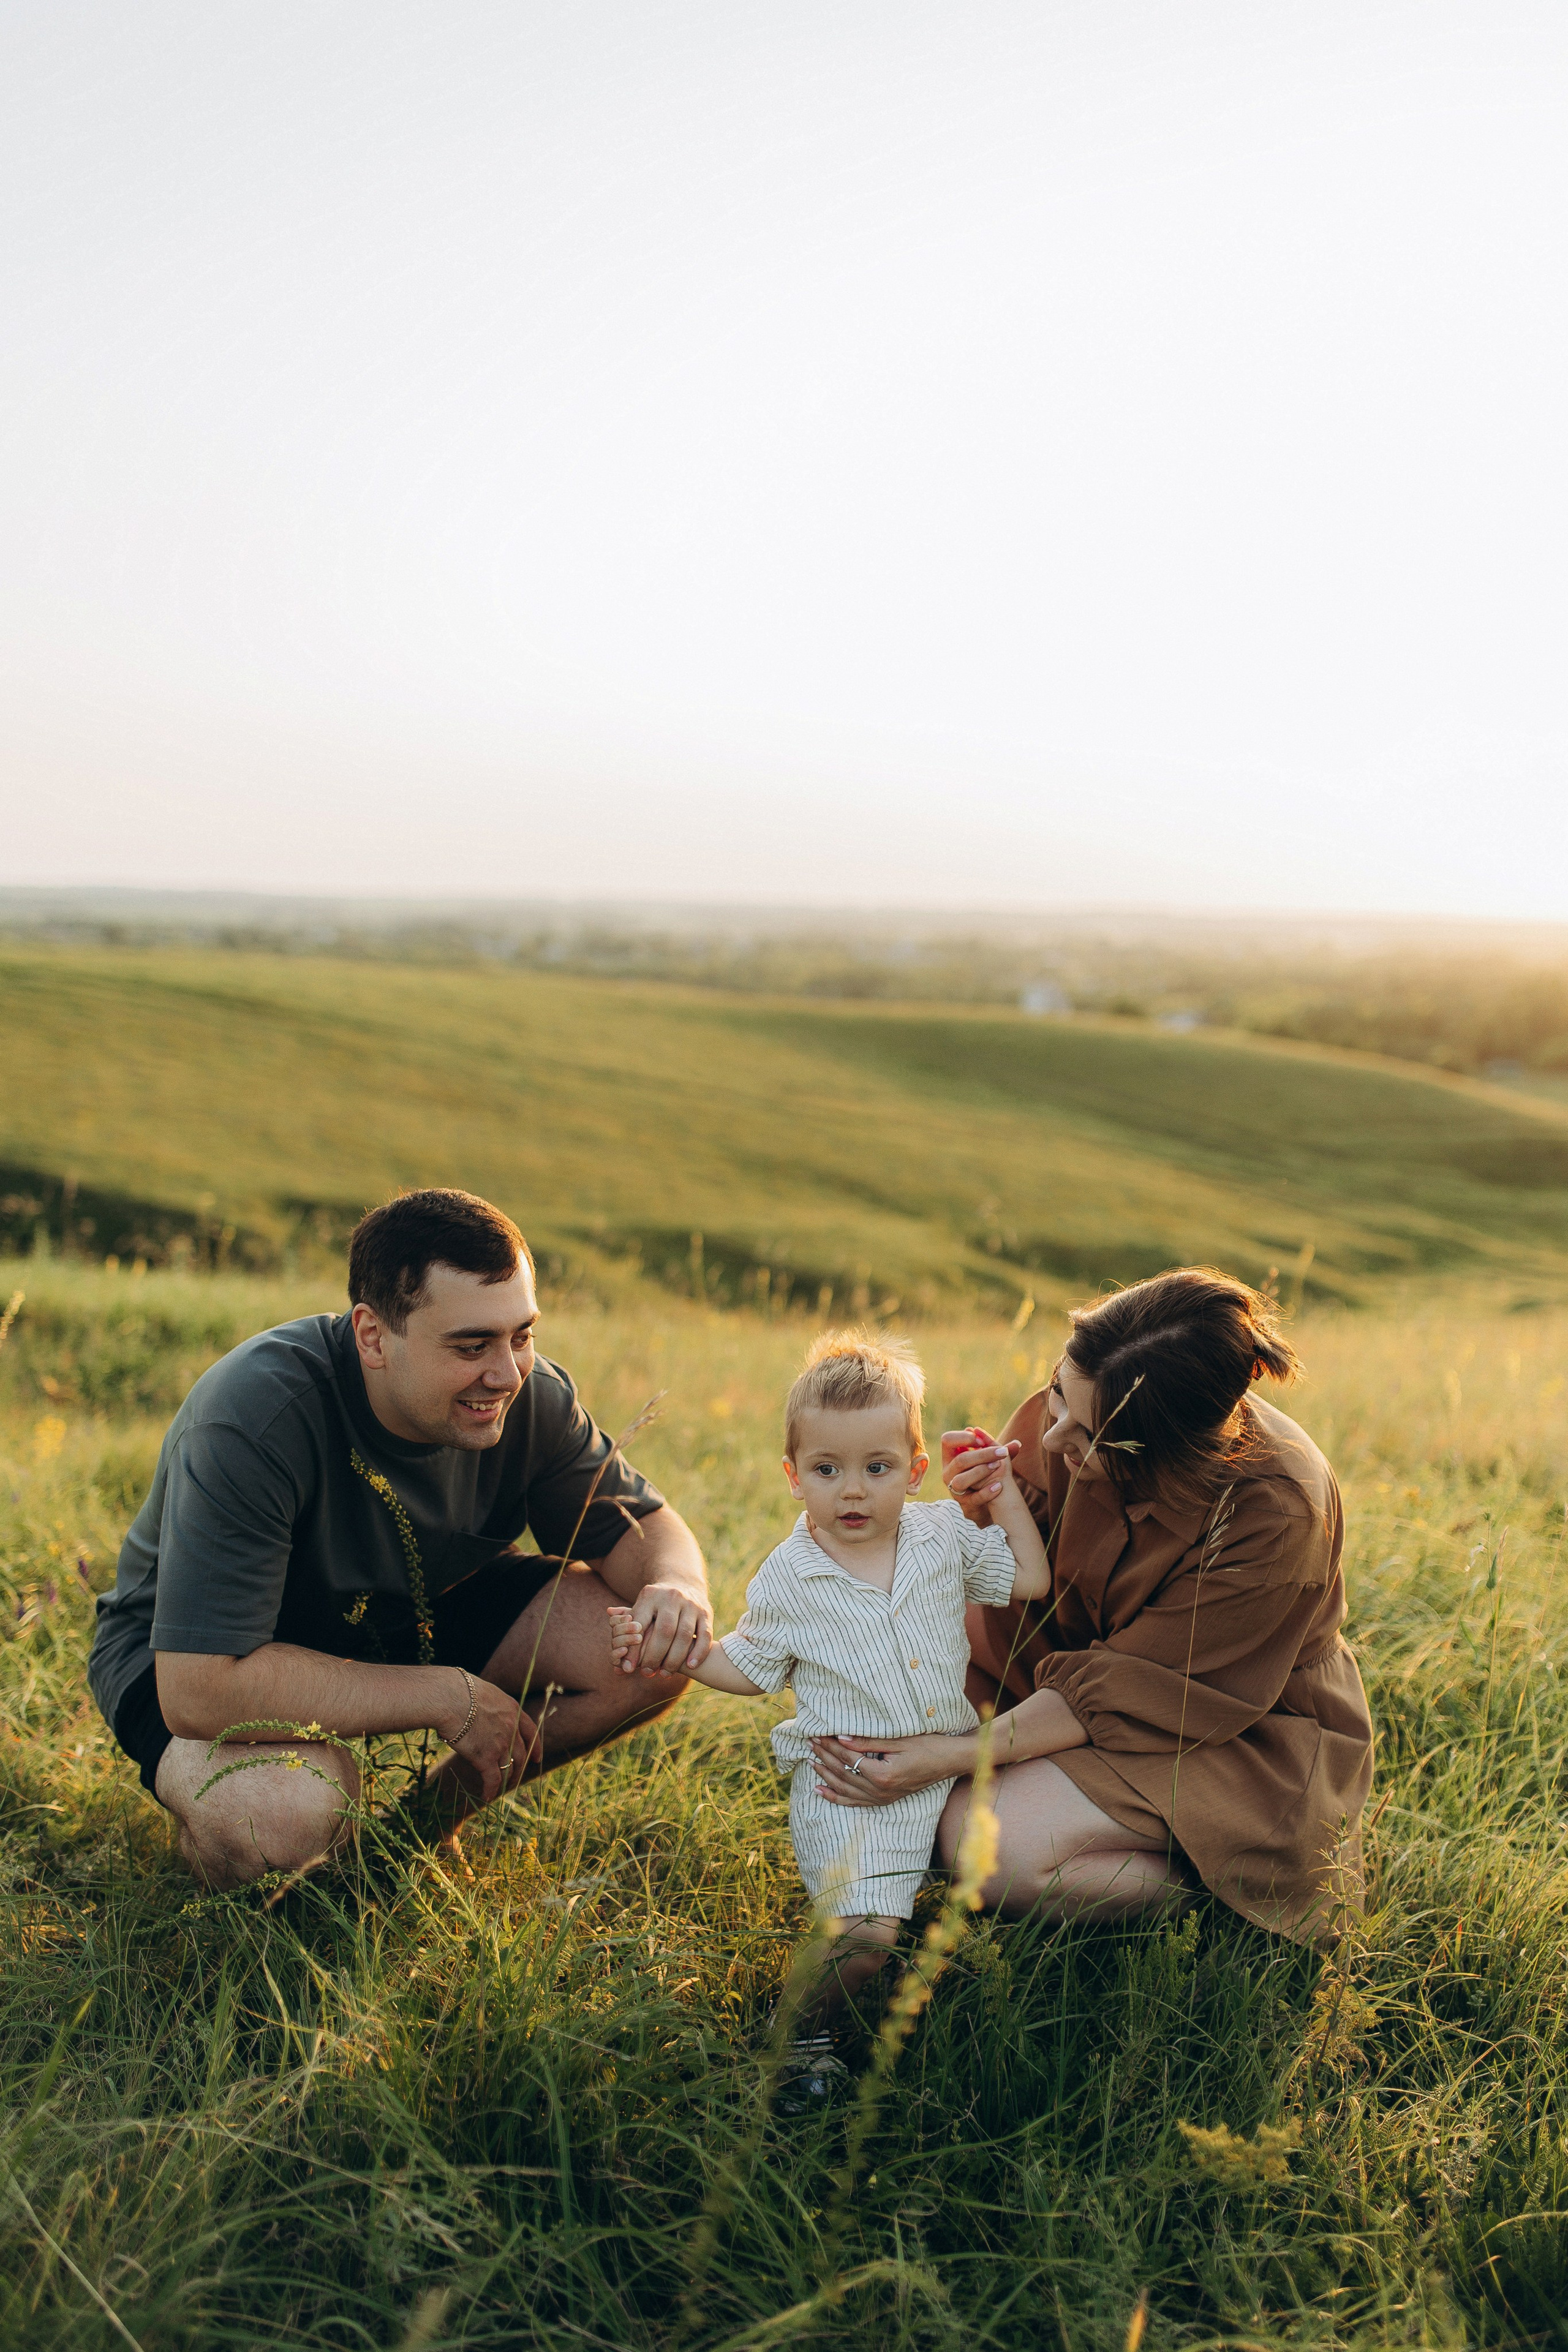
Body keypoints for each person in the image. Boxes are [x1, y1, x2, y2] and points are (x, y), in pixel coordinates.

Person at [88, 1188, 713, 1889]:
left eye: (522, 1335)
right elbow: (199, 1690)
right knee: (287, 1813)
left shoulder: (528, 1396)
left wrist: (677, 1586)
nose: (505, 1374)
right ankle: (227, 1863)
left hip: (401, 1610)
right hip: (201, 1655)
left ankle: (406, 1840)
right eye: (470, 1345)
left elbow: (641, 1525)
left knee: (651, 1657)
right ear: (373, 1336)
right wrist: (449, 1697)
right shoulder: (254, 1416)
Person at [807, 1269, 1374, 1947]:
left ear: (1171, 1454)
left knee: (982, 1845)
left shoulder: (1274, 1512)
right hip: (1048, 1661)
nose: (1051, 1439)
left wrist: (948, 1756)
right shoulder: (1081, 1407)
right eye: (1056, 1394)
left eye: (1087, 1437)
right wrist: (988, 1508)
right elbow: (1019, 1574)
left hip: (1216, 1723)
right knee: (863, 1717)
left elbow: (1133, 1687)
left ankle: (1213, 1883)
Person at [608, 1330, 1050, 2060]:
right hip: (849, 1783)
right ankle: (799, 2042)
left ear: (913, 1471)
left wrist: (999, 1499)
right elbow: (748, 1671)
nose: (851, 1490)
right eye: (826, 1469)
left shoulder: (940, 1535)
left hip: (942, 1766)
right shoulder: (790, 1577)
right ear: (793, 1476)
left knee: (953, 1906)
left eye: (876, 1468)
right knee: (864, 1939)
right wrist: (677, 1654)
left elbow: (1027, 1580)